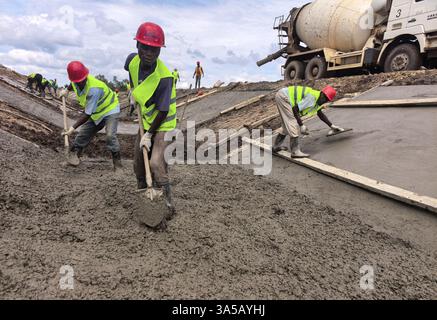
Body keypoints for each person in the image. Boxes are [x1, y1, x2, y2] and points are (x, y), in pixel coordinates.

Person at [124, 22, 177, 223]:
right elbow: (129, 72)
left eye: (153, 49)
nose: (148, 52)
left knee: (155, 162)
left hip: (163, 124)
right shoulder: (132, 61)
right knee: (138, 163)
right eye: (144, 47)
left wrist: (148, 135)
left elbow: (163, 111)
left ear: (159, 51)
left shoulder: (164, 77)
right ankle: (144, 196)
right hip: (146, 120)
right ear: (137, 46)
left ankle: (168, 204)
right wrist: (132, 92)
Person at [61, 61, 122, 170]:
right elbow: (73, 84)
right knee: (83, 134)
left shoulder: (94, 89)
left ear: (86, 75)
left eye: (83, 79)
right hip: (96, 112)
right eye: (77, 81)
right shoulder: (76, 81)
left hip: (110, 109)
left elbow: (87, 114)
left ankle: (118, 165)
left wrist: (72, 128)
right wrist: (67, 90)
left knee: (110, 136)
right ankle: (74, 158)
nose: (81, 82)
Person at [273, 85, 346, 158]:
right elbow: (295, 109)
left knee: (287, 124)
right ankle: (295, 151)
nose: (324, 100)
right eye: (324, 98)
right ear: (321, 93)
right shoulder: (312, 97)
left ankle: (275, 146)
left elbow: (320, 114)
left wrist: (332, 126)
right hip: (284, 97)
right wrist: (301, 125)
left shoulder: (318, 100)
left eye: (326, 100)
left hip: (282, 96)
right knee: (291, 122)